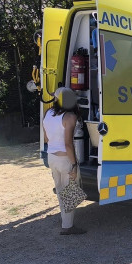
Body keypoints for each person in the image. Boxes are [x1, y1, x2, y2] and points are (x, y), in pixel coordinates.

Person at [43, 87, 86, 235]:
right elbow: (68, 144)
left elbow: (46, 138)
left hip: (51, 157)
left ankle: (65, 221)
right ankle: (68, 227)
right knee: (71, 192)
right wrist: (74, 165)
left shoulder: (47, 113)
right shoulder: (70, 117)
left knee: (61, 190)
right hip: (64, 158)